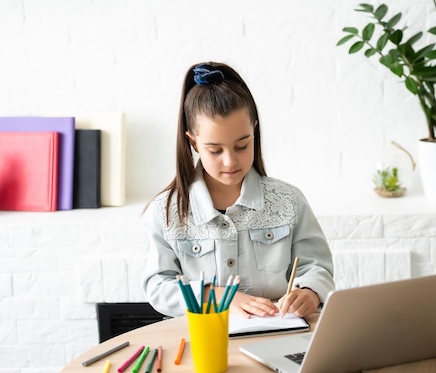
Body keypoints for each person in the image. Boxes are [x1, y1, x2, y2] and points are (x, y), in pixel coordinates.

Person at [141, 62, 334, 319]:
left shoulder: (289, 201)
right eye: (215, 150)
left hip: (277, 338)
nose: (230, 161)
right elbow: (157, 286)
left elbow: (316, 266)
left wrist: (309, 292)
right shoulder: (165, 211)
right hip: (204, 341)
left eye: (242, 146)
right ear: (193, 142)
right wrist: (217, 296)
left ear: (254, 130)